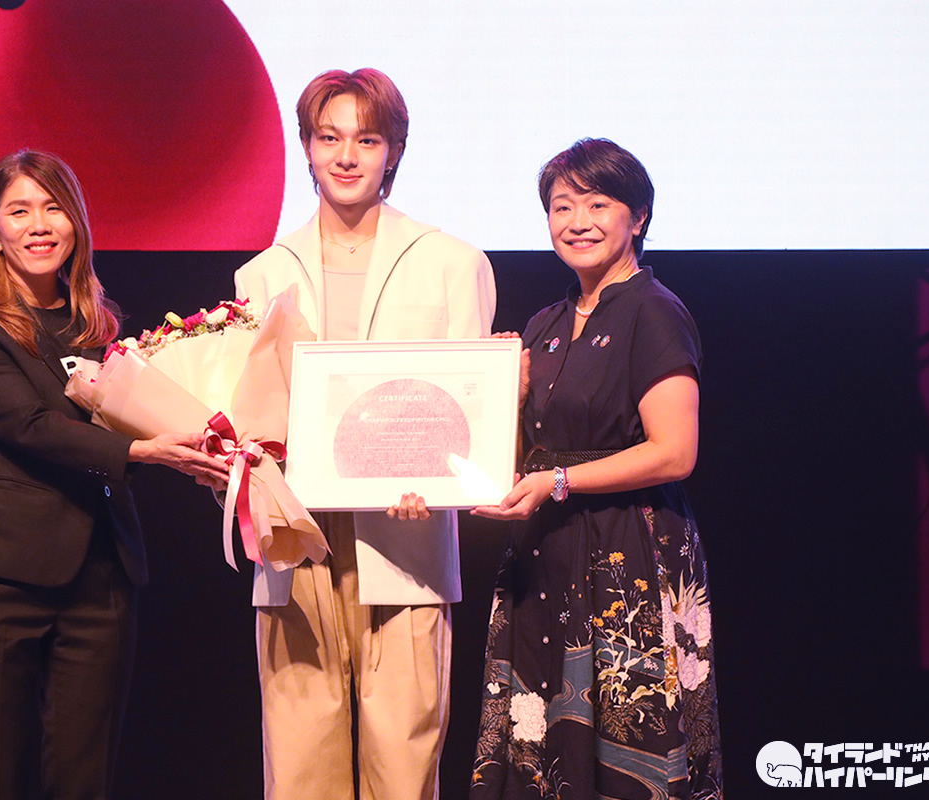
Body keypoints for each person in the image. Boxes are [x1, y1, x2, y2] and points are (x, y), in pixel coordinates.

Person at [234, 68, 496, 800]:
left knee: (403, 758)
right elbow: (253, 411)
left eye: (367, 139)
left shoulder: (451, 262)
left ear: (394, 152)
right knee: (300, 757)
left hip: (406, 537)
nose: (346, 156)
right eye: (329, 138)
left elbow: (466, 409)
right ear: (306, 148)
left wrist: (439, 480)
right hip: (298, 537)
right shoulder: (262, 274)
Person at [0, 150, 229, 800]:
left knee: (84, 778)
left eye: (54, 208)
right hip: (0, 577)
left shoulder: (98, 323)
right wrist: (145, 451)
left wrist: (209, 443)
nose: (39, 225)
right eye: (19, 211)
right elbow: (29, 427)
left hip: (102, 576)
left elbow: (135, 415)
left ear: (76, 222)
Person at [469, 139, 723, 799]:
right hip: (545, 556)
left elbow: (675, 451)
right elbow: (522, 457)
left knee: (628, 739)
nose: (576, 221)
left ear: (637, 217)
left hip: (626, 554)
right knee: (542, 747)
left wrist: (558, 482)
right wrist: (508, 399)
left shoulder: (654, 311)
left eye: (597, 204)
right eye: (561, 206)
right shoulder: (543, 325)